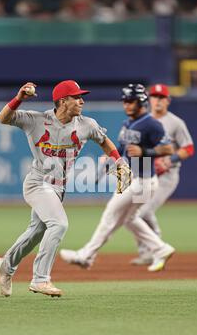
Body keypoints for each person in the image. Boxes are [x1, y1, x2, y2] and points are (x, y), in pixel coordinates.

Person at [0, 80, 131, 298]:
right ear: (62, 101)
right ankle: (40, 279)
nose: (81, 100)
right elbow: (3, 118)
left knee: (36, 233)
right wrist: (19, 98)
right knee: (59, 224)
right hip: (37, 182)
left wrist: (119, 162)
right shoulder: (36, 120)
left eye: (81, 96)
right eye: (76, 97)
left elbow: (105, 142)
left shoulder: (87, 124)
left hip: (58, 189)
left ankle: (7, 265)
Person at [60, 83, 176, 272]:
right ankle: (161, 249)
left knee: (110, 215)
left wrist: (145, 150)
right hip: (132, 177)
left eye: (131, 101)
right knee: (129, 219)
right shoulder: (127, 123)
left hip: (143, 179)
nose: (127, 105)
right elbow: (121, 149)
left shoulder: (152, 123)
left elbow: (169, 148)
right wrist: (108, 162)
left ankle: (85, 256)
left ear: (142, 102)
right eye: (125, 101)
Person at [131, 83, 195, 269]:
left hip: (166, 176)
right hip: (145, 173)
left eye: (161, 97)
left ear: (168, 100)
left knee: (143, 212)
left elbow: (189, 148)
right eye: (154, 96)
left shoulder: (175, 122)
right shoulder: (142, 121)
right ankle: (146, 253)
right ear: (149, 99)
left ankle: (159, 249)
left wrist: (170, 160)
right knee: (135, 213)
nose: (157, 100)